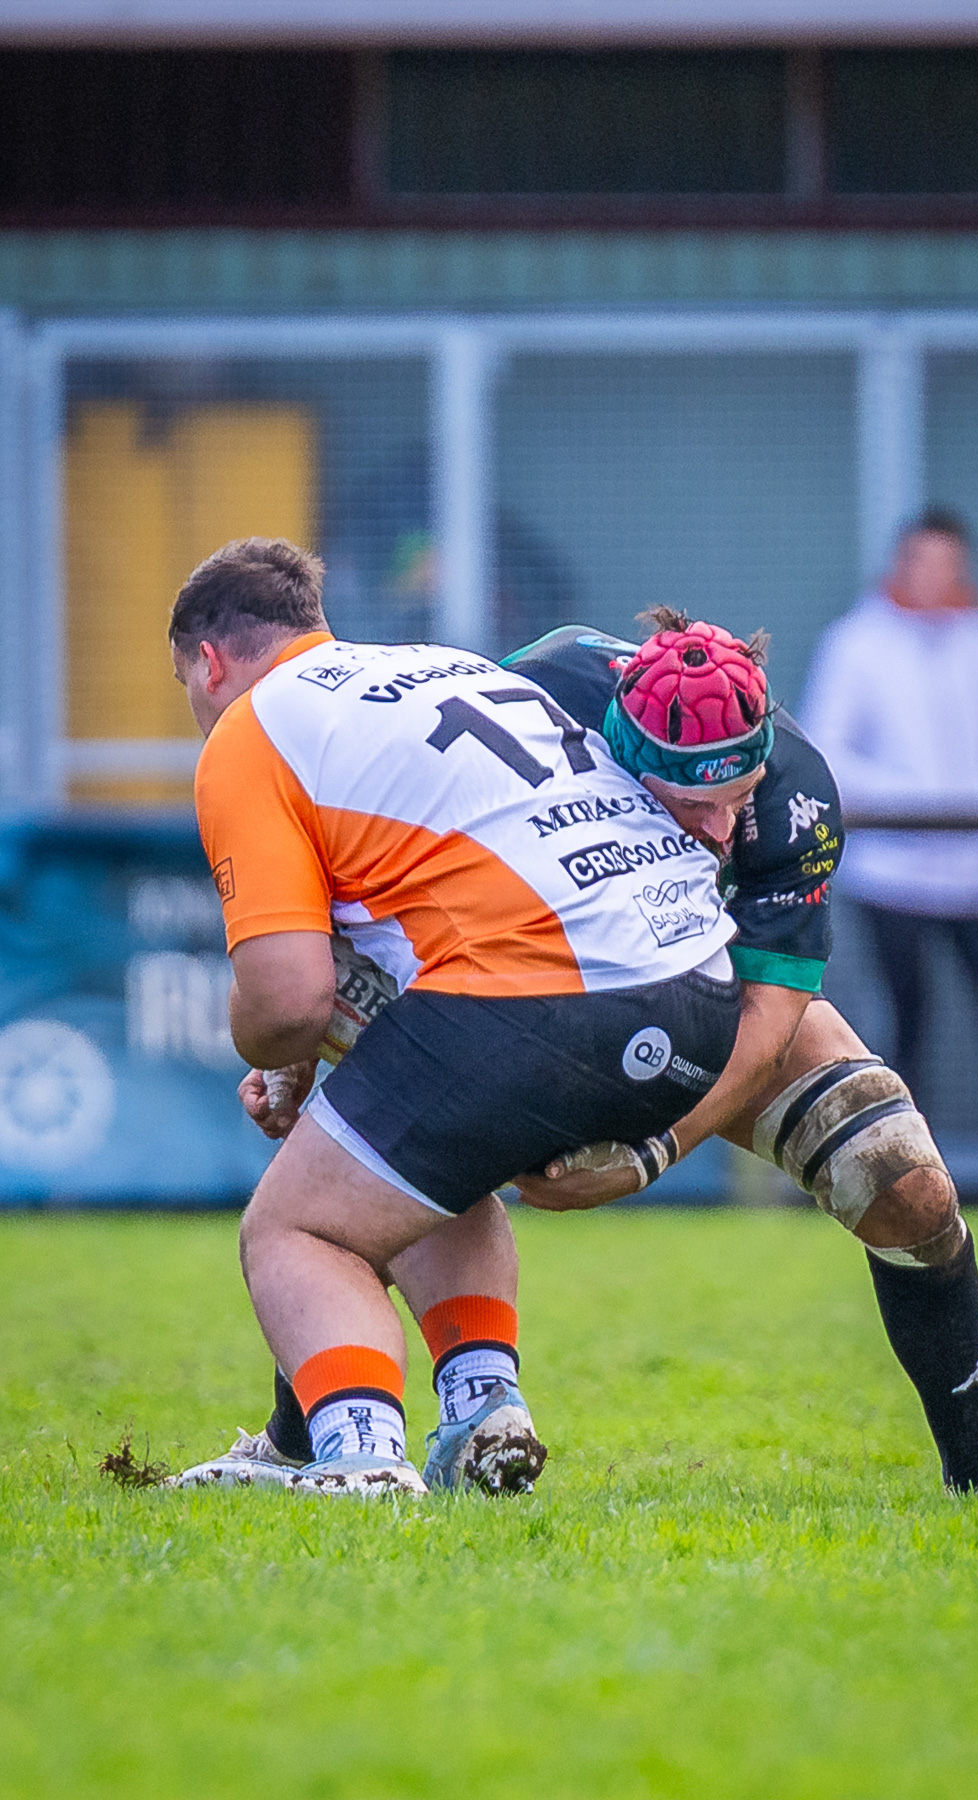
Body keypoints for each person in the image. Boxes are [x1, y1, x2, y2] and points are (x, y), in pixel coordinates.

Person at [180, 607, 978, 1502]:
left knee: (897, 1177)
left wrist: (653, 1153)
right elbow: (412, 815)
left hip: (710, 967)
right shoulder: (547, 679)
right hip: (533, 947)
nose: (721, 827)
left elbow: (767, 1018)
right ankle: (311, 1438)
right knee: (375, 1161)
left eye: (736, 797)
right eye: (687, 803)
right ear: (618, 740)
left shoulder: (796, 793)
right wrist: (307, 1048)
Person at [168, 540, 745, 1497]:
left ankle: (361, 1458)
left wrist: (272, 1052)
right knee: (424, 1158)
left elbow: (285, 999)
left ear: (210, 661)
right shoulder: (444, 663)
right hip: (697, 991)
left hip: (543, 991)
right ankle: (483, 1412)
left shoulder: (248, 729)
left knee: (295, 1230)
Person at [799, 509, 978, 1186]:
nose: (935, 578)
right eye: (922, 561)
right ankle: (906, 1177)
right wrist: (918, 802)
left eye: (949, 564)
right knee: (904, 1026)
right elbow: (828, 750)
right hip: (891, 875)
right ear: (899, 564)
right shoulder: (854, 642)